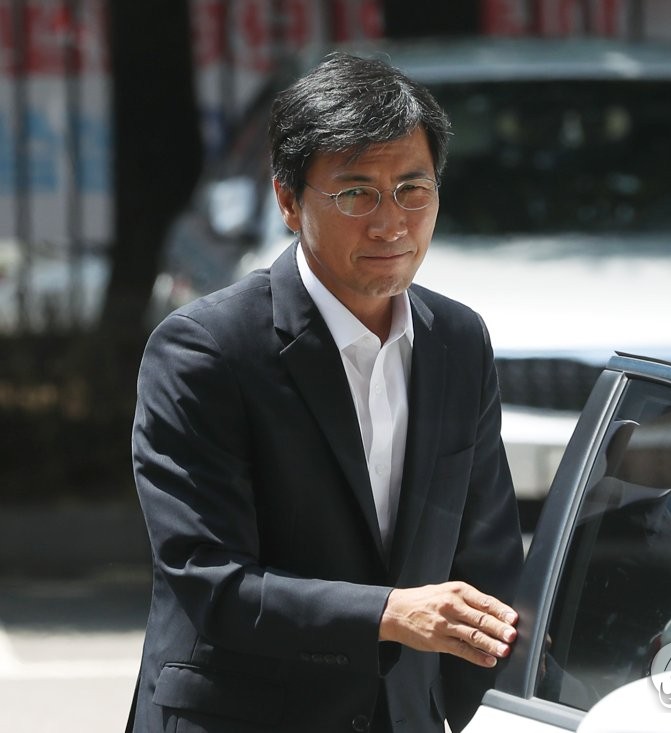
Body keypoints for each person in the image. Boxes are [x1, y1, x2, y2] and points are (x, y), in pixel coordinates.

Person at [127, 52, 524, 732]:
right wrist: (389, 613)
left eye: (413, 189)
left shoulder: (459, 341)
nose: (391, 223)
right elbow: (210, 580)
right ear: (288, 201)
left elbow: (489, 562)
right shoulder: (206, 351)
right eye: (356, 194)